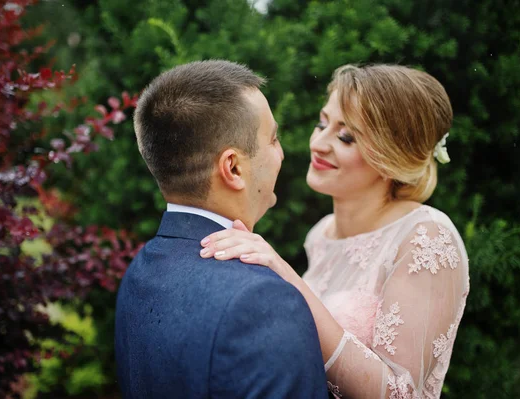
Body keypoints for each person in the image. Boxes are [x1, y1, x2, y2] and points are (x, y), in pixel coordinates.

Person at [200, 64, 470, 398]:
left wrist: (287, 276)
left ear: (392, 154)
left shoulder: (425, 238)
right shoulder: (321, 234)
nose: (319, 143)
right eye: (322, 123)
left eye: (346, 136)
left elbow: (402, 394)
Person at [114, 60, 329, 398]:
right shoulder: (263, 303)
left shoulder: (141, 272)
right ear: (232, 167)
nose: (283, 154)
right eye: (273, 139)